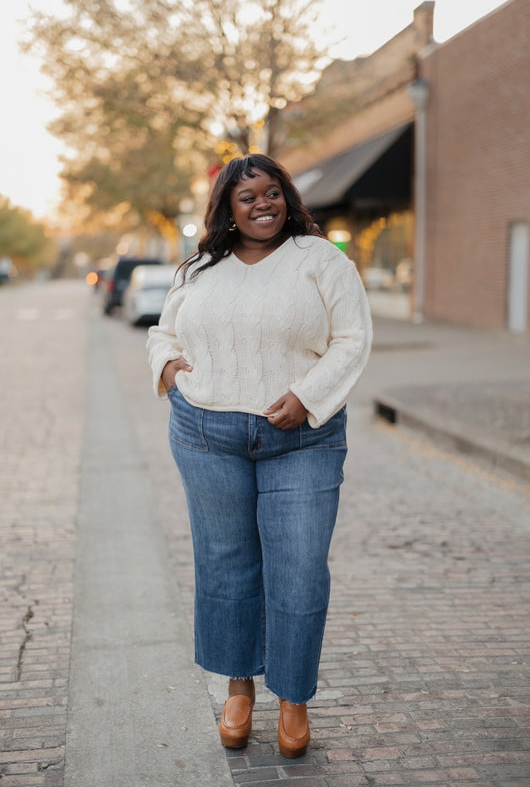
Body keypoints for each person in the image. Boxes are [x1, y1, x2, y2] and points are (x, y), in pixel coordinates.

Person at [147, 154, 372, 758]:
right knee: (225, 563)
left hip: (302, 439)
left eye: (271, 193)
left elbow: (353, 339)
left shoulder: (320, 260)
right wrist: (168, 367)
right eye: (248, 198)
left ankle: (293, 698)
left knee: (298, 567)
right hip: (206, 434)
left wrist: (307, 395)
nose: (263, 205)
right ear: (227, 208)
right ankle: (238, 687)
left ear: (287, 197)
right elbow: (163, 330)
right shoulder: (200, 267)